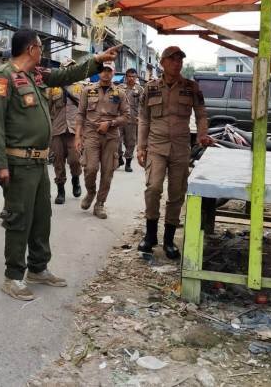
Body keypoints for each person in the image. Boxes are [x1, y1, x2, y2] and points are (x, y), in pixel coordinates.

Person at [0, 29, 120, 301]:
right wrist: (0, 165)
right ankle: (13, 277)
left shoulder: (36, 75)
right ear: (31, 49)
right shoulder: (4, 76)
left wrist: (96, 59)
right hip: (17, 162)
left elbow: (67, 76)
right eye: (41, 48)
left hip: (38, 163)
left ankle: (38, 268)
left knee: (41, 217)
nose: (43, 53)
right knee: (18, 219)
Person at [137, 46, 210, 259]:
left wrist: (203, 134)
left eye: (180, 60)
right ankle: (150, 236)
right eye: (172, 59)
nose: (177, 63)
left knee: (176, 193)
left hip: (180, 147)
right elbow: (143, 118)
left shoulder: (191, 87)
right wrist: (141, 147)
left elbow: (201, 114)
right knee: (153, 188)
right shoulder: (150, 88)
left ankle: (169, 240)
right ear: (162, 63)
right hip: (156, 146)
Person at [75, 61, 130, 219]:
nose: (106, 73)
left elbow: (126, 116)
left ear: (113, 72)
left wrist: (110, 123)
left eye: (109, 70)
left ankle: (100, 204)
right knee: (90, 168)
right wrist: (78, 136)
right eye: (103, 70)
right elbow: (80, 115)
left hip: (111, 136)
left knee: (107, 173)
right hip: (91, 134)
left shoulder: (120, 93)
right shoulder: (87, 90)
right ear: (98, 72)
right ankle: (91, 191)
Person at [49, 58, 84, 205]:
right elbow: (47, 108)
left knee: (75, 160)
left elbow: (85, 110)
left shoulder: (81, 88)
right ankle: (60, 190)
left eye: (72, 68)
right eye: (66, 68)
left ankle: (75, 179)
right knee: (58, 161)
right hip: (57, 130)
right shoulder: (53, 88)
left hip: (74, 131)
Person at [118, 68, 143, 172]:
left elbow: (142, 105)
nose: (131, 78)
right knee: (116, 140)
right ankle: (119, 158)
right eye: (129, 76)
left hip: (132, 119)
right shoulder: (119, 88)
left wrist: (140, 117)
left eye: (133, 76)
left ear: (136, 77)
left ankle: (128, 163)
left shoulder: (140, 89)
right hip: (119, 118)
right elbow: (114, 102)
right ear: (126, 77)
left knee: (131, 142)